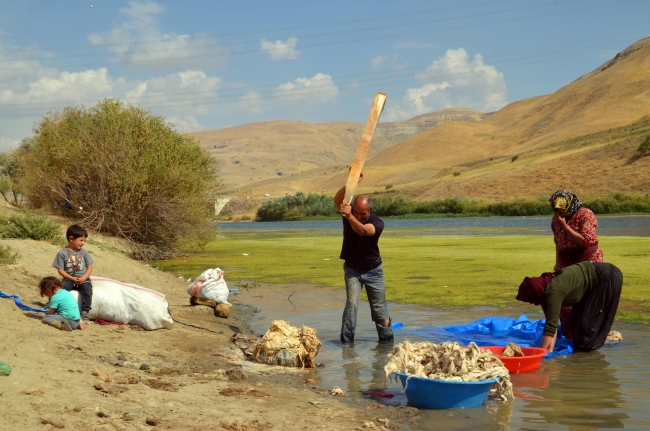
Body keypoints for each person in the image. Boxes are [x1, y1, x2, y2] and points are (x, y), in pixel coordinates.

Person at [333, 172, 393, 344]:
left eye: (362, 213)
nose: (358, 216)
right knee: (351, 305)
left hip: (374, 270)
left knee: (380, 310)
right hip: (352, 269)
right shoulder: (349, 213)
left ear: (370, 210)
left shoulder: (377, 223)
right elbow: (337, 201)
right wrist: (351, 183)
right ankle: (346, 343)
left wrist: (350, 216)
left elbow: (363, 231)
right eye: (356, 212)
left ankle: (387, 344)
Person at [516, 261, 622, 352]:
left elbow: (550, 329)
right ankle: (587, 352)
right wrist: (549, 351)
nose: (531, 303)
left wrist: (539, 355)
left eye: (530, 300)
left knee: (585, 328)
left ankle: (591, 359)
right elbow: (552, 326)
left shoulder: (554, 290)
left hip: (607, 277)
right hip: (592, 284)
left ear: (535, 294)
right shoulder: (545, 294)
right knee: (575, 328)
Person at [550, 190, 604, 340]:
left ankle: (588, 339)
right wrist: (558, 266)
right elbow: (558, 243)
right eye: (557, 210)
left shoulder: (585, 214)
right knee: (563, 303)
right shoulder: (556, 220)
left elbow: (585, 241)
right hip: (568, 263)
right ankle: (571, 338)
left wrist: (565, 226)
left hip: (589, 262)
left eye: (563, 210)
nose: (560, 213)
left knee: (587, 302)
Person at [53, 224, 94, 321]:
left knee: (88, 290)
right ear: (71, 239)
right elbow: (60, 270)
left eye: (84, 240)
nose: (83, 243)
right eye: (81, 240)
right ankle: (52, 304)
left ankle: (85, 312)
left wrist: (84, 277)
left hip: (83, 278)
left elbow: (90, 266)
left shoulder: (84, 252)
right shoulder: (62, 253)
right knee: (62, 289)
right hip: (69, 278)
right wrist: (71, 278)